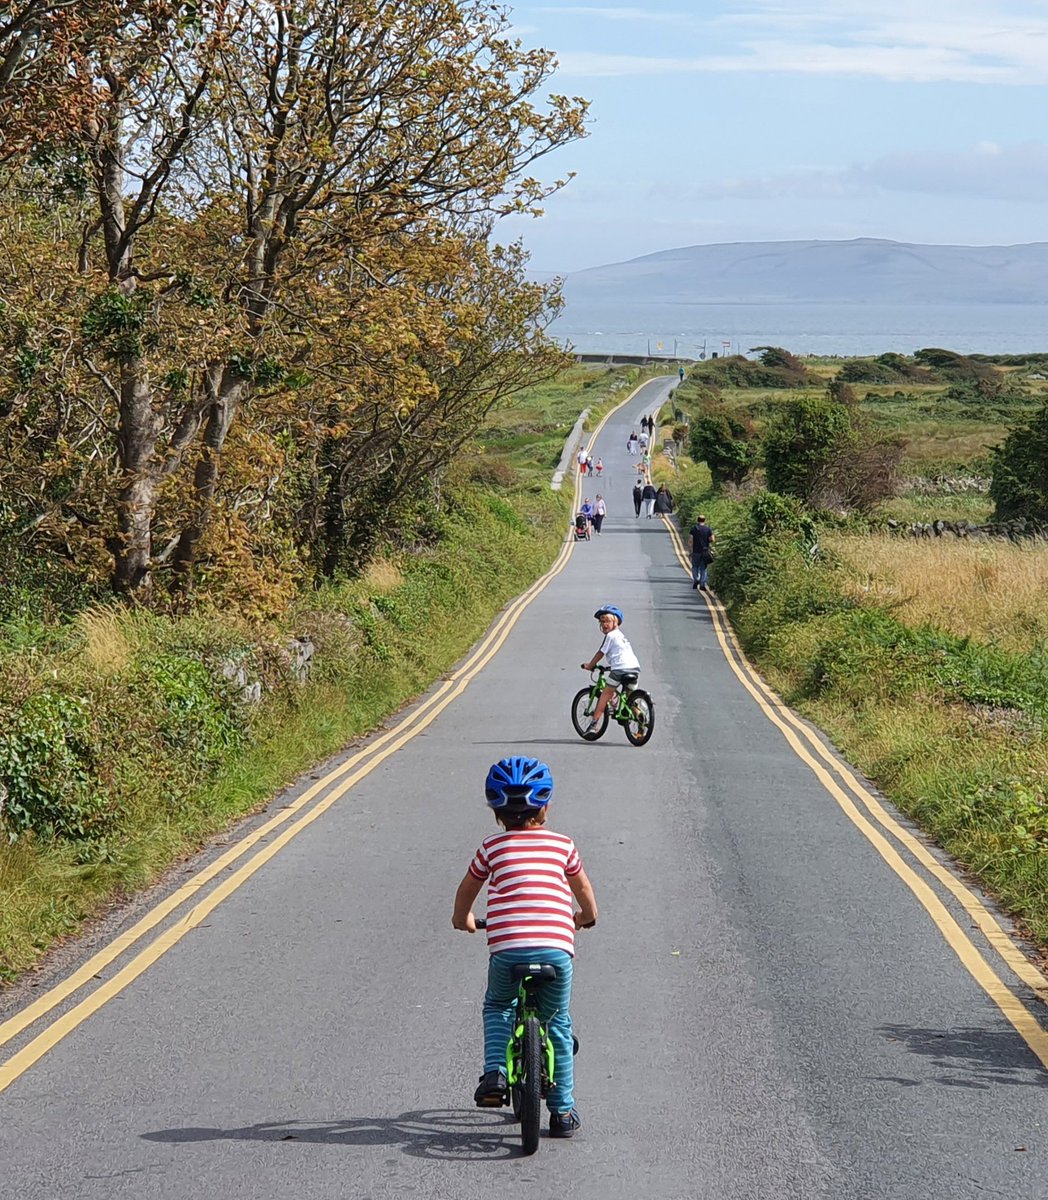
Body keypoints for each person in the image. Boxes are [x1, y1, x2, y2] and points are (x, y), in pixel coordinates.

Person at [452, 756, 597, 1139]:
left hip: (508, 949)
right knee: (558, 1024)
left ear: (496, 812)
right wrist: (585, 916)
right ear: (545, 806)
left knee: (499, 1006)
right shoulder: (563, 845)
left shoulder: (490, 847)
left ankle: (496, 1072)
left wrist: (462, 918)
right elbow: (582, 889)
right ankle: (563, 1112)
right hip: (556, 949)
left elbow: (469, 889)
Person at [581, 605, 641, 733]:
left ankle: (594, 724)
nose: (604, 624)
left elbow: (600, 653)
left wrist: (590, 665)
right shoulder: (621, 636)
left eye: (607, 621)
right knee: (630, 698)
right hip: (635, 668)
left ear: (616, 622)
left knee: (605, 694)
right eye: (602, 621)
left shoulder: (611, 636)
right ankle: (640, 718)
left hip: (620, 669)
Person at [690, 514, 716, 591]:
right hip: (705, 552)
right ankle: (702, 584)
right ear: (704, 520)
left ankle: (696, 579)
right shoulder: (708, 529)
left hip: (696, 551)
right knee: (703, 568)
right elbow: (713, 539)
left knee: (695, 566)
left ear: (697, 520)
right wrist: (708, 541)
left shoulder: (694, 529)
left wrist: (691, 550)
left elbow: (690, 540)